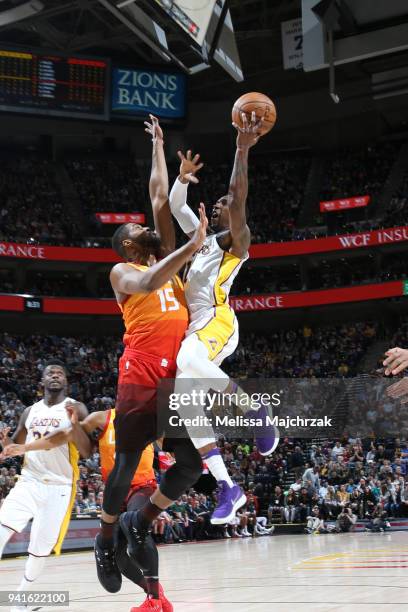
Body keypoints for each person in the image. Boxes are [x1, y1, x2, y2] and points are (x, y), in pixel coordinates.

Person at [94, 117, 208, 610]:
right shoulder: (123, 271)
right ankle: (104, 538)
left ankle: (138, 523)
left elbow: (160, 198)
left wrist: (159, 147)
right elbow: (146, 284)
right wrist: (189, 246)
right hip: (140, 370)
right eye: (137, 228)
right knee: (124, 462)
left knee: (189, 465)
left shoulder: (167, 266)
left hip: (172, 380)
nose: (145, 225)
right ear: (127, 245)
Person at [161, 112, 279, 524]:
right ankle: (229, 487)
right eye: (218, 203)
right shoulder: (204, 239)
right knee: (184, 404)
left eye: (225, 204)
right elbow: (176, 205)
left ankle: (255, 411)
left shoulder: (236, 242)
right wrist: (182, 177)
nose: (220, 204)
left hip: (218, 320)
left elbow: (237, 194)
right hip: (197, 328)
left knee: (186, 361)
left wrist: (241, 149)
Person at [0, 361, 89, 612]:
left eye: (60, 373)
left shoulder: (76, 407)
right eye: (50, 373)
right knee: (2, 527)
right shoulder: (30, 411)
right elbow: (15, 447)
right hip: (29, 481)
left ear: (66, 382)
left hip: (59, 487)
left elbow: (85, 449)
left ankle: (21, 599)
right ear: (42, 381)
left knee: (39, 551)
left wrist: (74, 426)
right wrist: (6, 443)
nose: (55, 375)